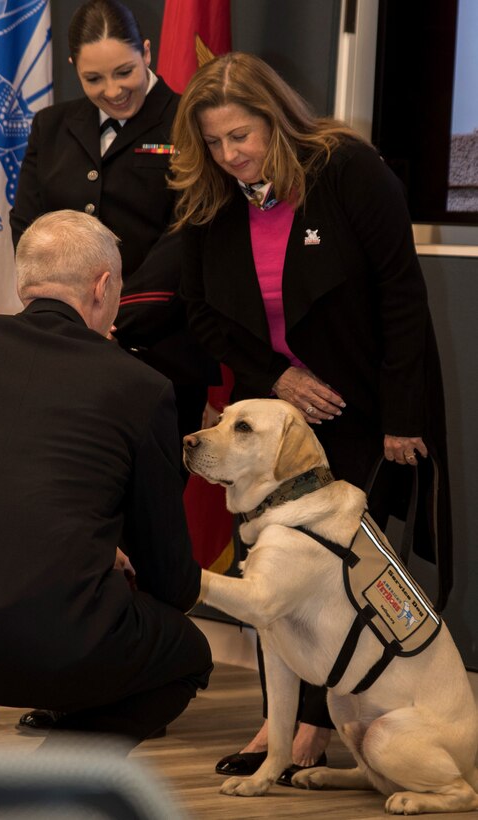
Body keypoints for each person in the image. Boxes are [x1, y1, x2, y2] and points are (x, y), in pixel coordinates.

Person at [169, 52, 451, 786]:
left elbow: (401, 296)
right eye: (215, 142)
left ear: (276, 118)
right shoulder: (212, 198)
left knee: (336, 579)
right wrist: (279, 380)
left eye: (242, 136)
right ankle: (281, 722)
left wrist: (401, 416)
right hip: (274, 409)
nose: (231, 156)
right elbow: (202, 313)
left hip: (368, 407)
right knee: (274, 568)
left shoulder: (348, 170)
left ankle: (318, 728)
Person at [0, 209, 212, 747]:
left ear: (23, 282)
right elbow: (171, 581)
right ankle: (47, 787)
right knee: (188, 656)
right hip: (49, 640)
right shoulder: (139, 385)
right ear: (103, 286)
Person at [10, 0, 214, 449]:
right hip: (63, 347)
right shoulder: (52, 125)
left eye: (124, 71)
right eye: (93, 78)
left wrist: (114, 317)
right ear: (73, 68)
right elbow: (29, 224)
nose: (113, 90)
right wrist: (69, 311)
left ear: (145, 51)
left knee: (146, 503)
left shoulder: (190, 122)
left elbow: (188, 231)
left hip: (160, 349)